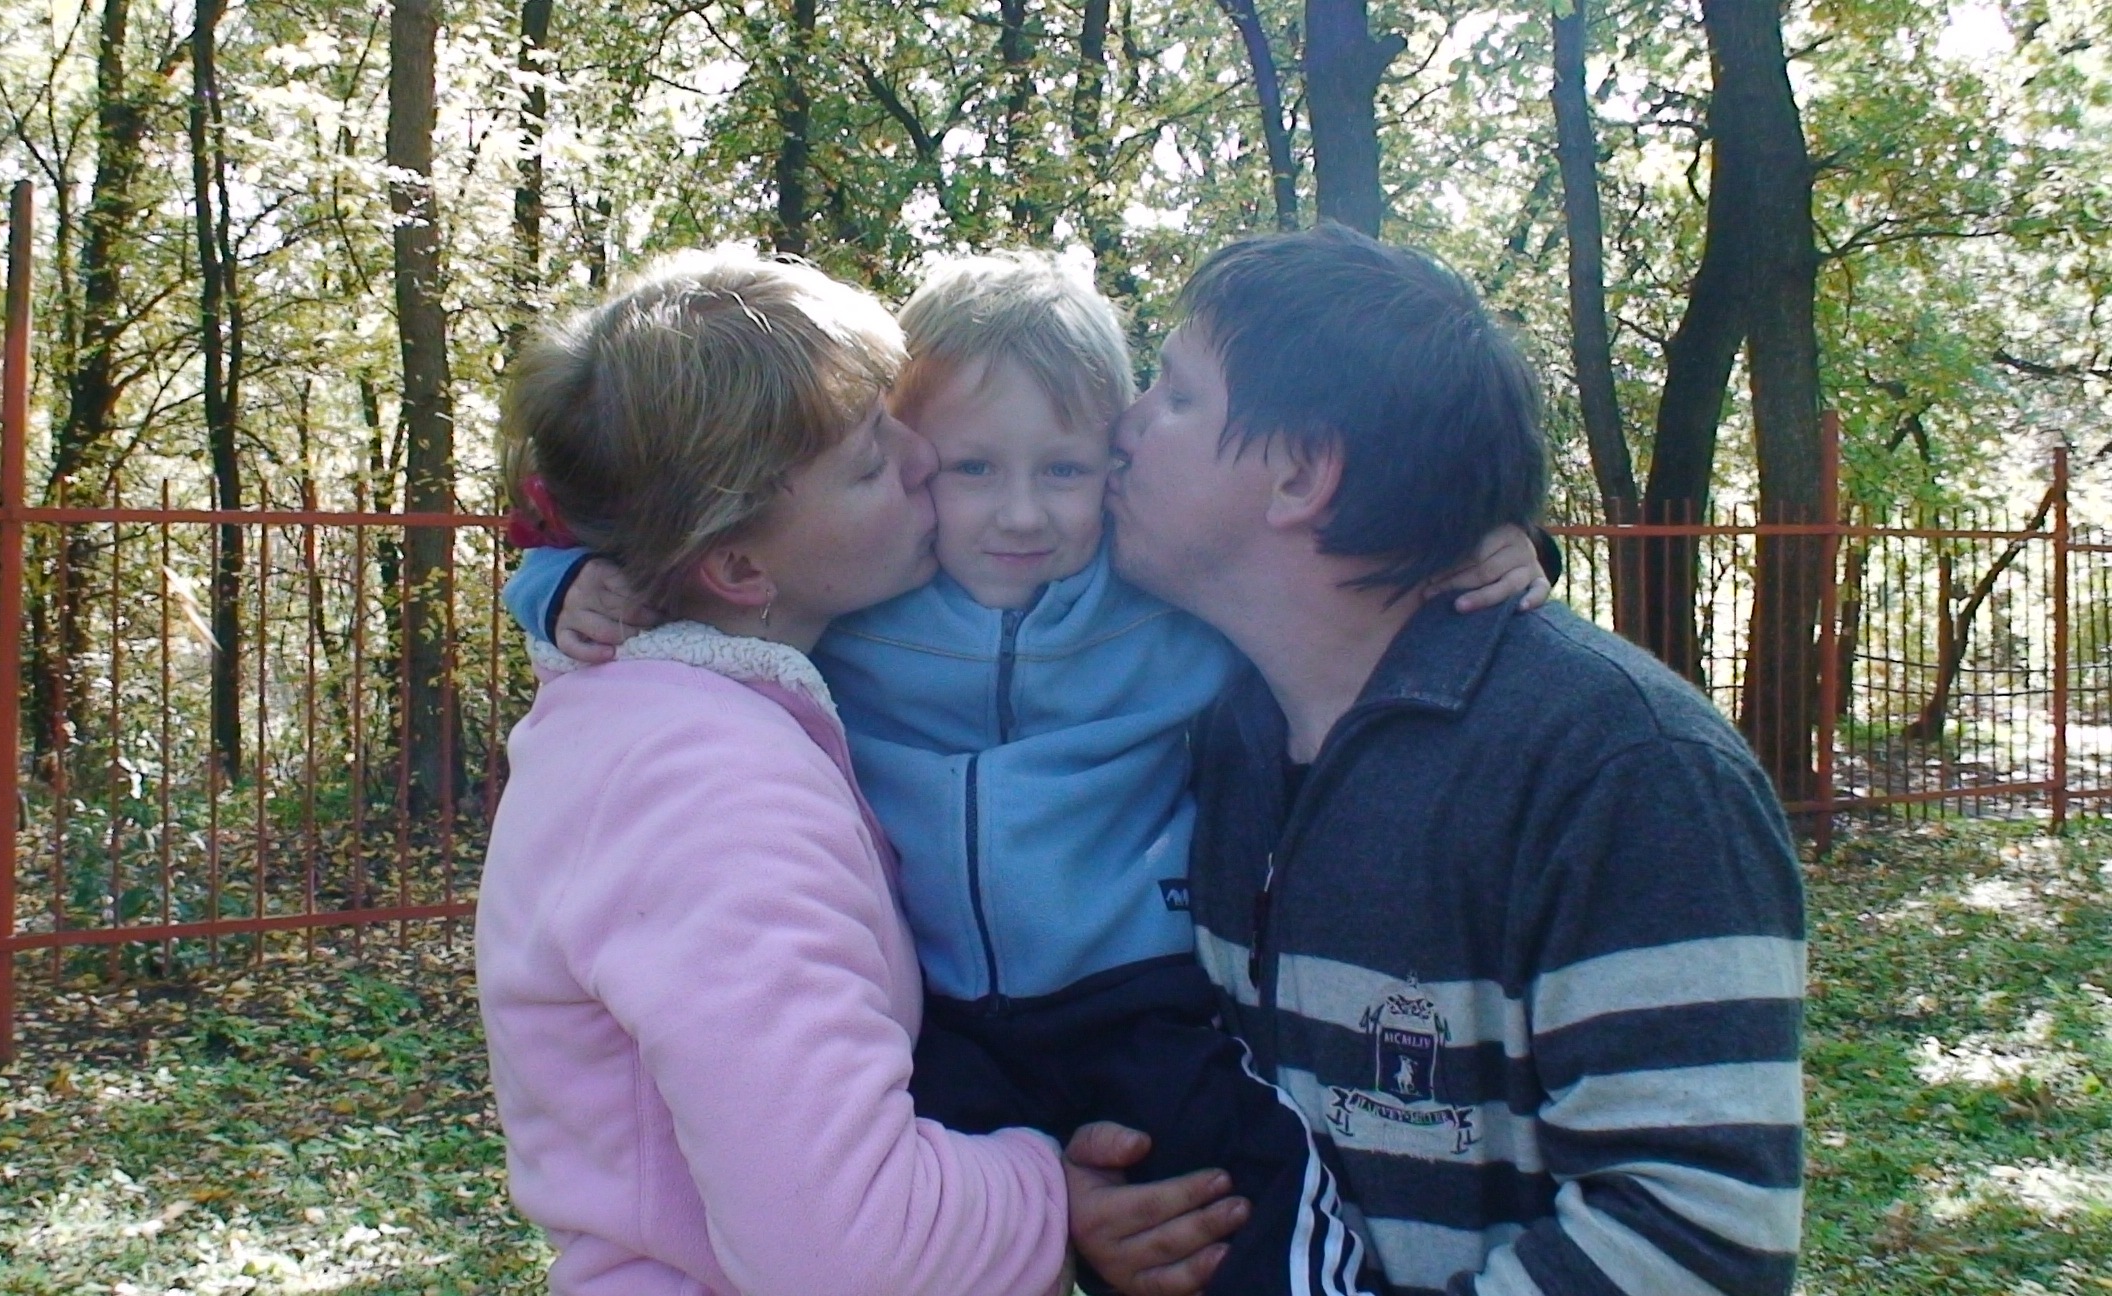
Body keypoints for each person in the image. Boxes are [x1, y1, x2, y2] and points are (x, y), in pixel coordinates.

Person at [505, 251, 1553, 1295]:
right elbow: (648, 534)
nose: (1010, 511)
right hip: (948, 1022)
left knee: (1238, 1211)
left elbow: (1308, 589)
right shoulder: (808, 665)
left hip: (1133, 999)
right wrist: (560, 582)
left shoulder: (1144, 596)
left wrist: (1474, 538)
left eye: (1062, 471)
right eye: (928, 467)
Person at [1094, 222, 1806, 1295]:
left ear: (1301, 473)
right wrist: (1104, 1202)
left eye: (1176, 394)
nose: (1126, 425)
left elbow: (1696, 1242)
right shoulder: (1209, 731)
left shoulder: (1625, 770)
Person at [478, 248, 1078, 1296]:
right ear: (740, 567)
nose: (924, 457)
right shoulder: (708, 789)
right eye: (870, 462)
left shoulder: (648, 718)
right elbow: (849, 1253)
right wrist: (1058, 1193)